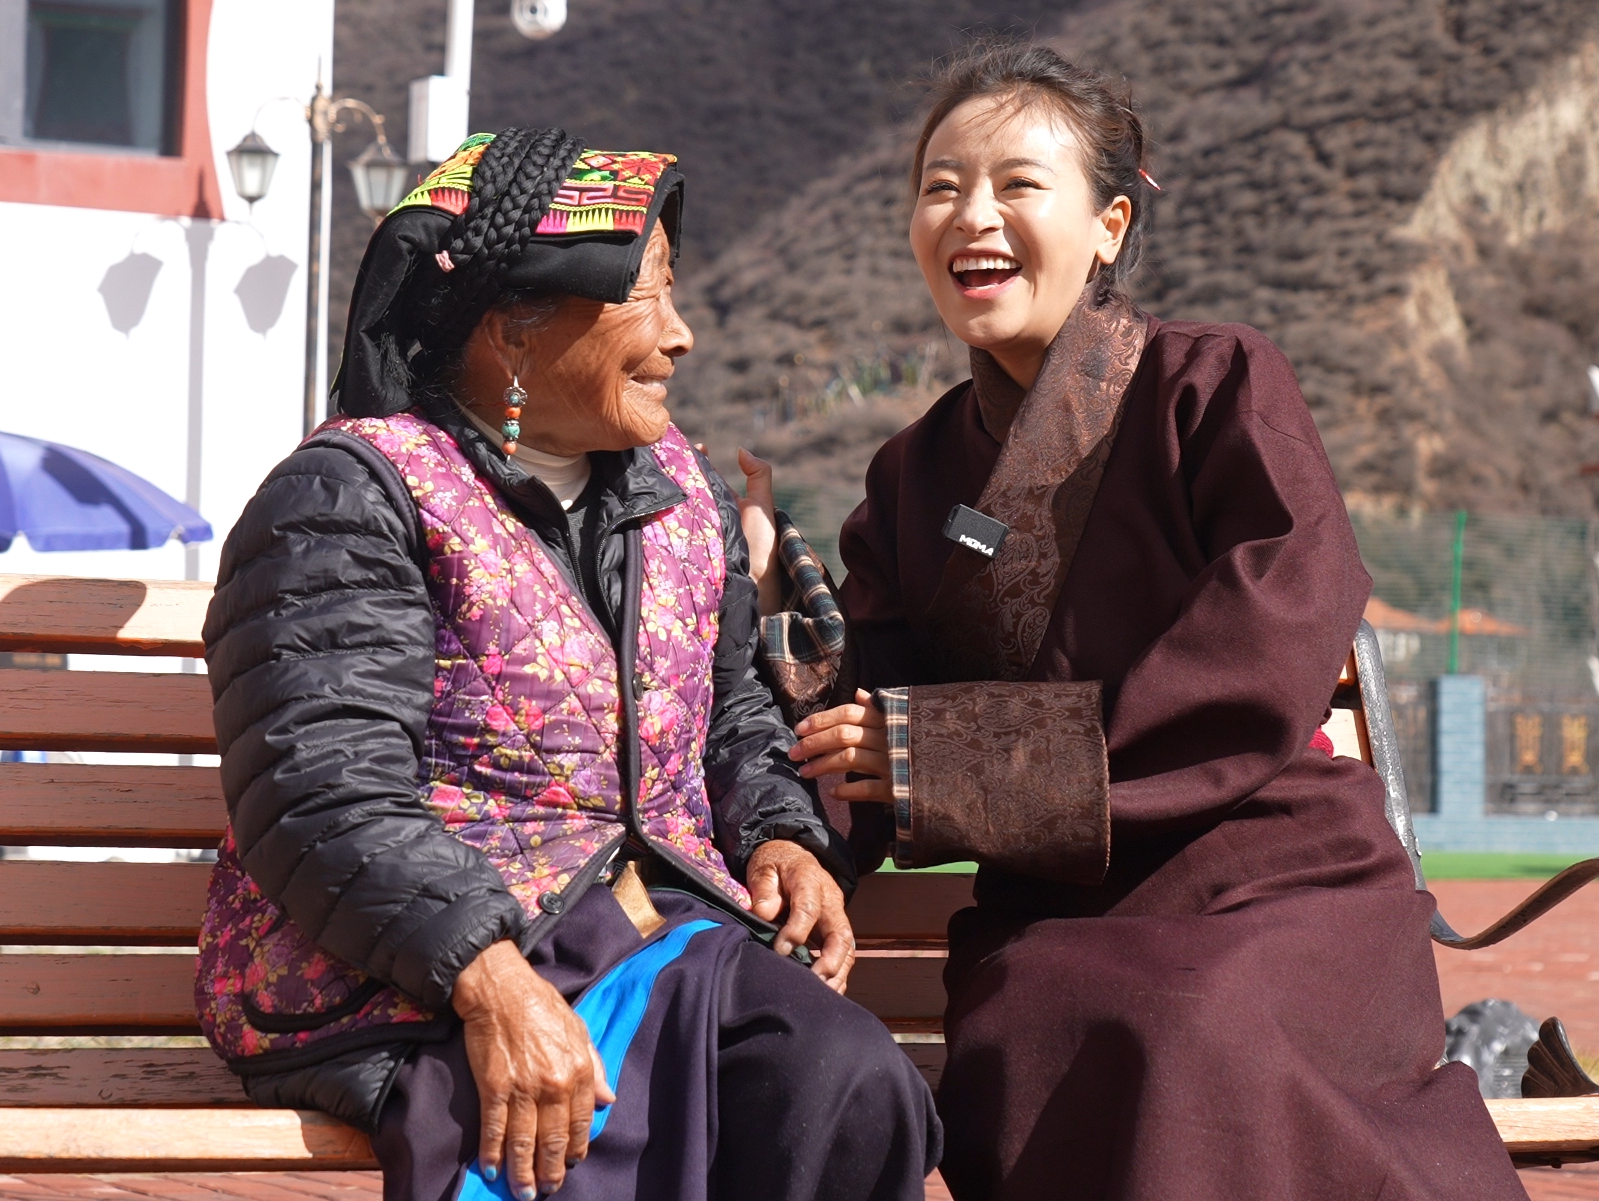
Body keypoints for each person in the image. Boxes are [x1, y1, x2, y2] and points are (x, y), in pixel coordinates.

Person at [740, 43, 1529, 1201]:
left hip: (1273, 877)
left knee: (1196, 1020)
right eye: (940, 186)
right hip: (1057, 914)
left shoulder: (1213, 385)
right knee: (1050, 1026)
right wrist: (774, 625)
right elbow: (865, 722)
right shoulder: (911, 475)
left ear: (1107, 225)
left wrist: (948, 761)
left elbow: (1268, 642)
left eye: (1016, 183)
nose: (970, 215)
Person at [194, 128, 940, 1201]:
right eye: (644, 295)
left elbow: (730, 711)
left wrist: (780, 834)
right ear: (510, 326)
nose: (679, 335)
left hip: (656, 931)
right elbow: (318, 785)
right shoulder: (349, 497)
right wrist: (487, 977)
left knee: (845, 1080)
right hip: (418, 970)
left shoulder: (680, 497)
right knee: (574, 1127)